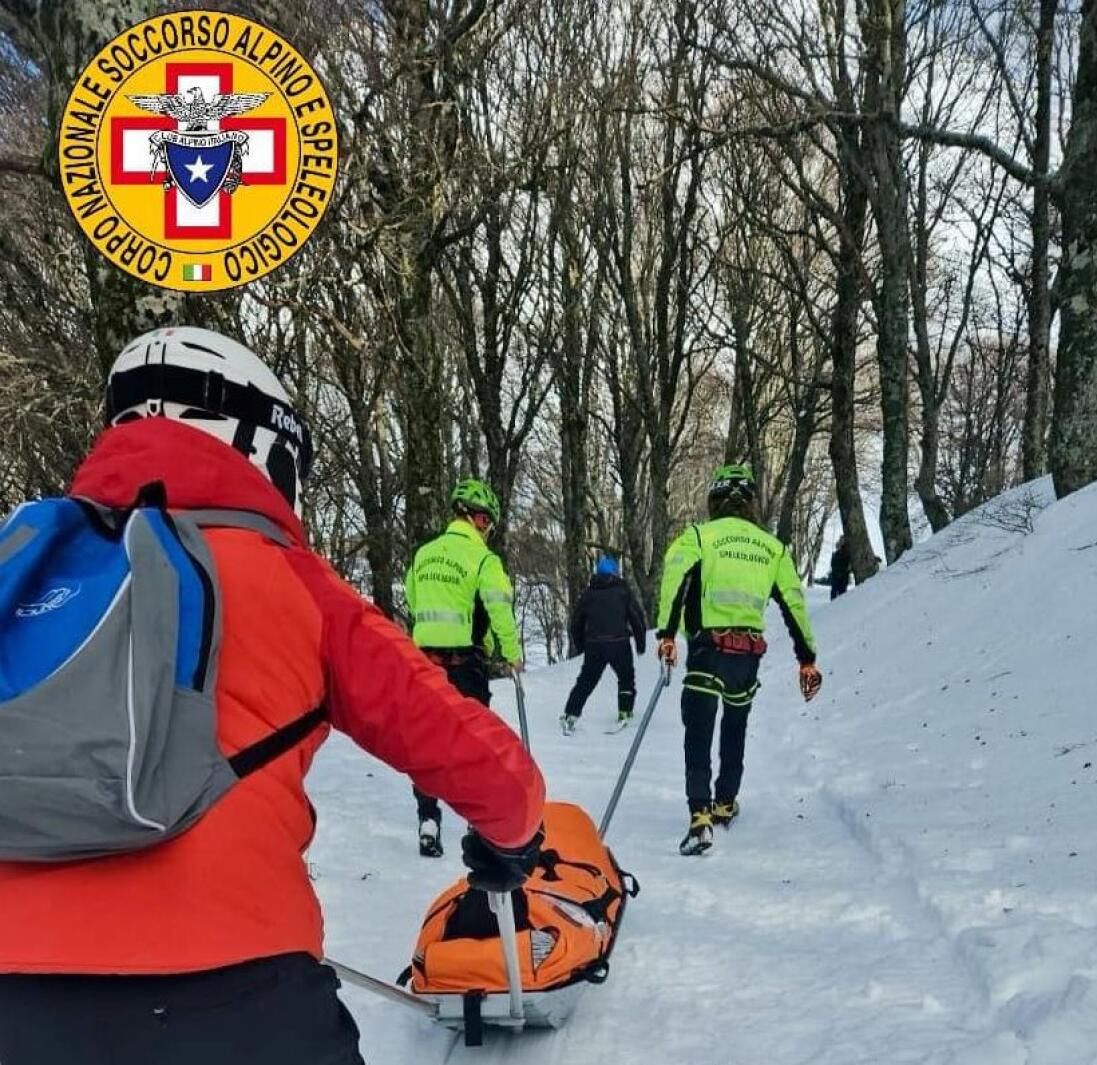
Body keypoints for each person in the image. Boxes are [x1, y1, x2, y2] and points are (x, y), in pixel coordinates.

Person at [0, 327, 545, 1065]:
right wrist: (507, 838)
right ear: (255, 445)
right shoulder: (289, 578)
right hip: (237, 994)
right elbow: (482, 762)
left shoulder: (23, 568)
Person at [656, 464, 822, 856]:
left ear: (715, 501)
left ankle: (699, 816)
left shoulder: (698, 536)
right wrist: (807, 659)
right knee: (735, 727)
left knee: (698, 732)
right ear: (751, 503)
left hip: (705, 649)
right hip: (746, 657)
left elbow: (674, 579)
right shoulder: (773, 548)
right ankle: (725, 803)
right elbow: (794, 604)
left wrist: (666, 634)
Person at [405, 477, 524, 857]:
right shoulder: (483, 559)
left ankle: (427, 818)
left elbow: (412, 600)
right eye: (487, 522)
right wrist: (510, 652)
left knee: (425, 743)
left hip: (424, 663)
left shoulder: (424, 555)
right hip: (464, 664)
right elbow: (498, 608)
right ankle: (479, 821)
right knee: (475, 741)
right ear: (479, 520)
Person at [560, 555, 647, 734]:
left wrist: (581, 645)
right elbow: (636, 618)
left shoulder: (589, 594)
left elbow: (576, 622)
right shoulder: (623, 592)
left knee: (586, 680)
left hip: (594, 645)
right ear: (616, 572)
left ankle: (571, 714)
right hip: (619, 643)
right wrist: (640, 643)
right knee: (626, 678)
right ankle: (624, 712)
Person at [829, 535, 852, 599]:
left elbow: (848, 566)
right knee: (834, 592)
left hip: (843, 576)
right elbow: (832, 564)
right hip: (836, 575)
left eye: (842, 540)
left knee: (842, 593)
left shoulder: (847, 552)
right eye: (840, 540)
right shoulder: (835, 554)